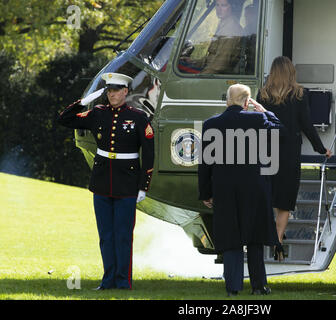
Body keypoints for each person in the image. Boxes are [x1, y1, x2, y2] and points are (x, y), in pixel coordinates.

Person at [57, 72, 155, 290]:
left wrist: (143, 186)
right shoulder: (98, 113)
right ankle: (108, 280)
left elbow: (148, 153)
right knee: (106, 236)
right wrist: (84, 102)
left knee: (122, 236)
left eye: (116, 91)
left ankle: (123, 281)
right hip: (102, 181)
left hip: (127, 183)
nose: (112, 95)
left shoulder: (138, 117)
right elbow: (64, 119)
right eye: (109, 91)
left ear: (125, 92)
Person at [198, 84, 283, 296]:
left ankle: (232, 287)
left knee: (230, 237)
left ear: (227, 100)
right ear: (247, 102)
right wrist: (265, 111)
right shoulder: (258, 120)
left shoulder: (211, 124)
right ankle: (258, 286)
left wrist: (205, 192)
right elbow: (281, 130)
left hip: (224, 189)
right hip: (254, 188)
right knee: (254, 238)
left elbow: (205, 164)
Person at [257, 56, 332, 260]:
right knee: (285, 199)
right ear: (291, 72)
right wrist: (320, 148)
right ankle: (278, 240)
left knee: (268, 194)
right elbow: (306, 124)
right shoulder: (299, 94)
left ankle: (268, 234)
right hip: (290, 152)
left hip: (267, 150)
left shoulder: (262, 94)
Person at [179, 0, 244, 74]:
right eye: (217, 5)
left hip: (214, 74)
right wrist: (193, 62)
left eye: (223, 5)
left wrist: (199, 78)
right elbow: (212, 57)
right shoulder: (224, 23)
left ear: (232, 7)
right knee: (180, 64)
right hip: (210, 70)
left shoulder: (230, 29)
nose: (219, 9)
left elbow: (219, 65)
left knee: (178, 68)